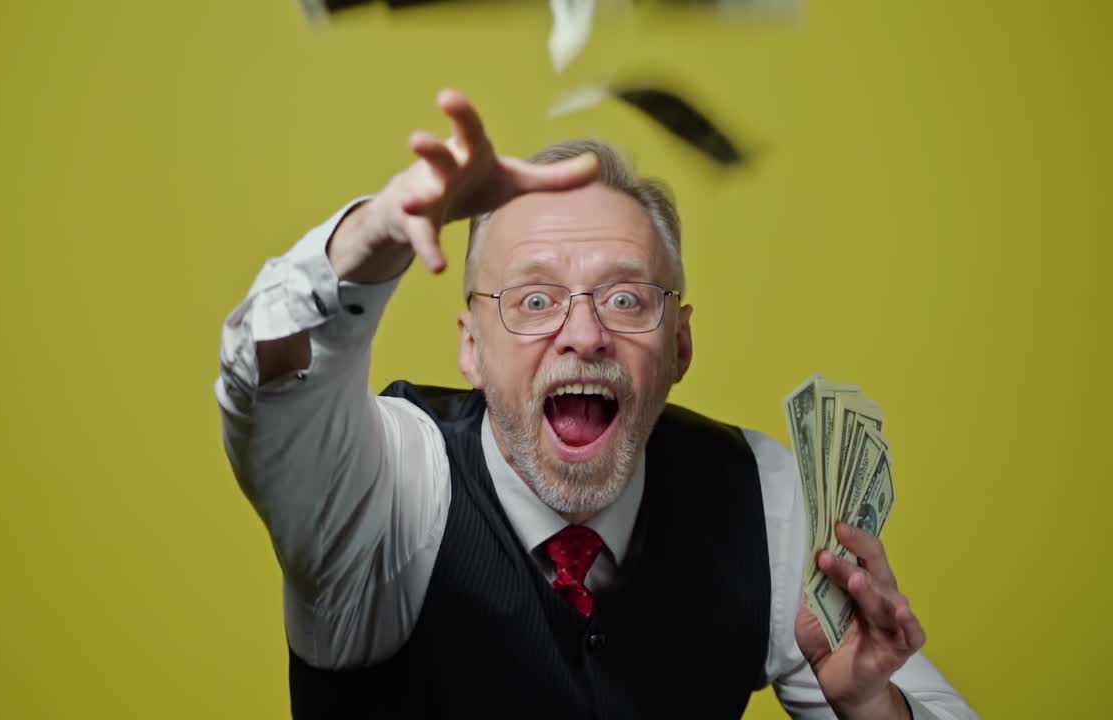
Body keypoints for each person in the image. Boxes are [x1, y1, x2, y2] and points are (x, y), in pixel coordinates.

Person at [215, 89, 977, 719]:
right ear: (471, 348)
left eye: (624, 297)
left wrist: (875, 706)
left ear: (679, 346)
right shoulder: (383, 497)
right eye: (536, 298)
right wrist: (373, 235)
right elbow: (271, 382)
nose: (585, 334)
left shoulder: (763, 499)